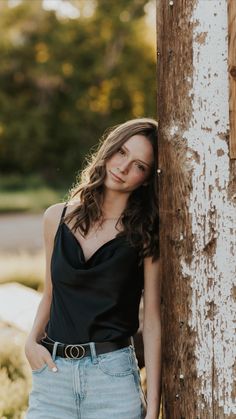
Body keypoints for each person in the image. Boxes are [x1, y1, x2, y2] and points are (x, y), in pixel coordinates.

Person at [24, 117, 161, 419]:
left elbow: (151, 320)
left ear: (147, 179)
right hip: (54, 376)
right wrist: (30, 342)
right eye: (122, 152)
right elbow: (50, 293)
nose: (123, 168)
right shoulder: (55, 218)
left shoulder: (145, 233)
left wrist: (153, 408)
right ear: (109, 150)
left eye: (139, 165)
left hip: (112, 379)